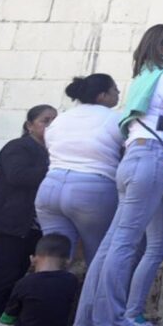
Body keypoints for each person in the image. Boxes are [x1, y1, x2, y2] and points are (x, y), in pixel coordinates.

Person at [74, 24, 163, 326]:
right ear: (160, 48)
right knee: (125, 244)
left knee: (113, 244)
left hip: (132, 158)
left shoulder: (142, 78)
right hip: (151, 158)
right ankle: (112, 325)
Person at [35, 74, 123, 266]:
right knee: (100, 255)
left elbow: (49, 147)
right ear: (102, 96)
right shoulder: (115, 119)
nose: (118, 93)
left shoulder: (60, 119)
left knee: (52, 255)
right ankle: (95, 297)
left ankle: (43, 294)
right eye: (115, 89)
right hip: (92, 190)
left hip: (50, 188)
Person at [0, 105, 56, 317]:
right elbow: (17, 175)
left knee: (25, 277)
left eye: (55, 122)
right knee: (5, 276)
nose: (51, 126)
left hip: (33, 226)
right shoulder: (18, 147)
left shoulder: (49, 152)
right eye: (46, 121)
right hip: (12, 225)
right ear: (29, 125)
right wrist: (54, 169)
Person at [0, 233, 78, 326]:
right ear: (68, 261)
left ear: (32, 259)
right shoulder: (71, 281)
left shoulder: (25, 283)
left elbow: (8, 318)